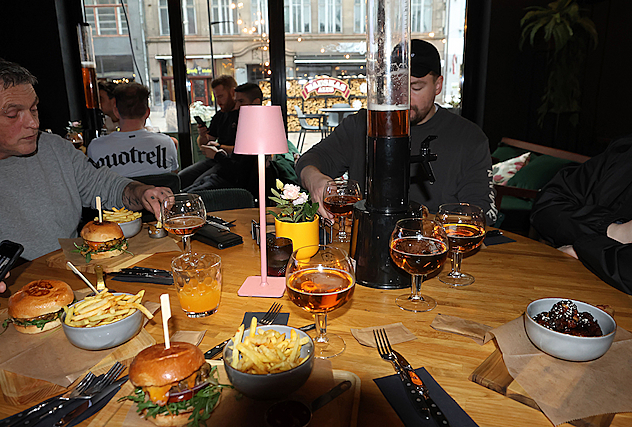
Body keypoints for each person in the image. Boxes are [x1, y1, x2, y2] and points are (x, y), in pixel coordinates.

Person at [296, 39, 497, 224]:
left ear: (438, 86)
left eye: (415, 88)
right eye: (396, 86)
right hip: (368, 240)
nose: (403, 98)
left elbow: (481, 213)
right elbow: (310, 160)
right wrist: (314, 180)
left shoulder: (469, 138)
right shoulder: (362, 124)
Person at [0, 57, 172, 262]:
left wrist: (141, 192)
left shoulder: (55, 147)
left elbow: (104, 185)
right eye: (13, 114)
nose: (33, 123)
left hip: (75, 269)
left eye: (34, 109)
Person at [530, 135, 632, 295]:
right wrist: (612, 230)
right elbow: (547, 204)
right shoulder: (624, 150)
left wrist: (586, 251)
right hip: (563, 284)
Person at [182, 82, 263, 195]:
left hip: (230, 172)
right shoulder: (223, 116)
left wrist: (218, 151)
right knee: (183, 180)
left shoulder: (256, 125)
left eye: (241, 101)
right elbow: (205, 144)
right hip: (223, 164)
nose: (237, 106)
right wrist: (203, 136)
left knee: (193, 191)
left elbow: (241, 167)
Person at [87, 82, 179, 177]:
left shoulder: (95, 147)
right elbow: (173, 179)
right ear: (147, 112)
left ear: (116, 111)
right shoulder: (166, 144)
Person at [179, 75, 238, 188]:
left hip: (230, 162)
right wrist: (202, 135)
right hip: (215, 159)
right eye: (216, 97)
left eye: (221, 96)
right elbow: (203, 144)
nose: (218, 101)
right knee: (181, 178)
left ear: (232, 92)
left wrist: (219, 147)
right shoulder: (219, 116)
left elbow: (242, 152)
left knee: (198, 184)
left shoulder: (243, 116)